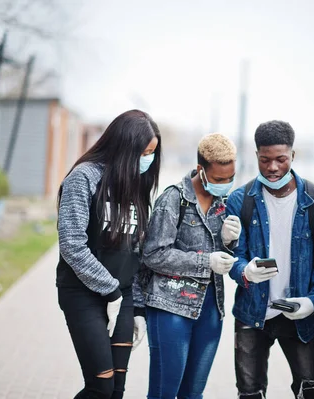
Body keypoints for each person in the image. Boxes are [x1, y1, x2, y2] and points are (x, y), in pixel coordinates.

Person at [226, 120, 314, 399]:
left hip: (299, 315)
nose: (273, 167)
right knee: (249, 393)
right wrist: (245, 271)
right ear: (256, 156)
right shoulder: (240, 201)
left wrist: (312, 302)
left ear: (293, 156)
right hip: (252, 313)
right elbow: (233, 258)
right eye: (265, 160)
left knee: (310, 392)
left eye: (280, 159)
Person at [56, 110, 161, 399]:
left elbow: (136, 252)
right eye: (144, 152)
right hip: (82, 293)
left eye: (152, 152)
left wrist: (137, 308)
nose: (148, 159)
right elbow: (72, 244)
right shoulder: (84, 178)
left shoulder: (136, 184)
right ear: (124, 148)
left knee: (116, 390)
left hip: (123, 296)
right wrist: (110, 290)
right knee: (100, 386)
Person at [142, 133, 240, 399]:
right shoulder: (173, 199)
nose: (226, 185)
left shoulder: (224, 204)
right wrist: (205, 261)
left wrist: (229, 243)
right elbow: (153, 254)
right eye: (219, 179)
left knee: (193, 394)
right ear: (201, 170)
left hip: (210, 309)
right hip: (171, 307)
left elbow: (223, 258)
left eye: (230, 178)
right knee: (164, 391)